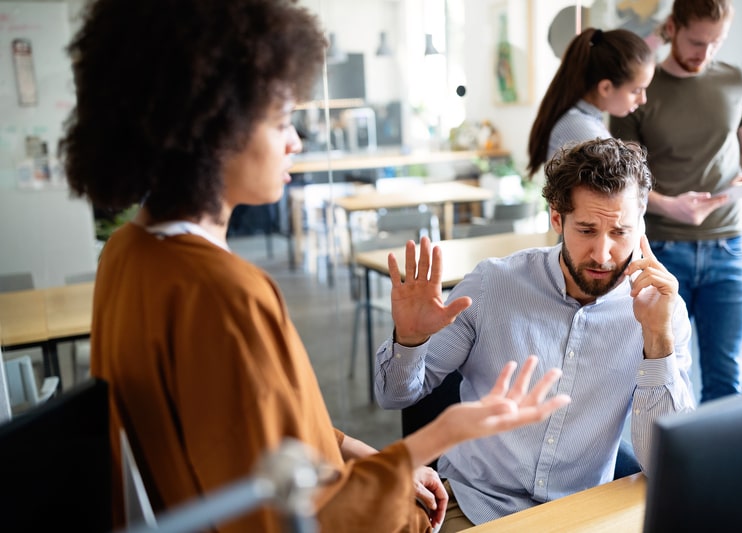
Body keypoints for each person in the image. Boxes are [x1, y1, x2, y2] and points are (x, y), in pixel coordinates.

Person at [60, 1, 571, 532]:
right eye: (281, 120)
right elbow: (289, 516)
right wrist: (434, 442)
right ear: (214, 125)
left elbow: (258, 435)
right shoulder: (225, 293)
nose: (295, 142)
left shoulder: (126, 253)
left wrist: (359, 452)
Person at [375, 137, 696, 531]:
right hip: (472, 505)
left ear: (641, 219)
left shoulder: (663, 310)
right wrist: (410, 341)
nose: (602, 253)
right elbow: (394, 396)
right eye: (586, 229)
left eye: (620, 232)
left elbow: (663, 463)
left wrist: (657, 339)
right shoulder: (492, 285)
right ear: (557, 219)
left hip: (578, 515)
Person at [610, 0, 742, 403]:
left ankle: (716, 469)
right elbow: (623, 181)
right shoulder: (641, 89)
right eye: (697, 42)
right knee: (659, 375)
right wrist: (670, 205)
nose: (706, 53)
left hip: (730, 248)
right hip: (662, 252)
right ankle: (663, 468)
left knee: (726, 382)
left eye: (715, 43)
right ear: (673, 28)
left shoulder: (736, 78)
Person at [526, 27, 654, 178]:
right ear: (606, 88)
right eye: (636, 91)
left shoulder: (584, 121)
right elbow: (623, 192)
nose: (643, 99)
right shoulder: (581, 130)